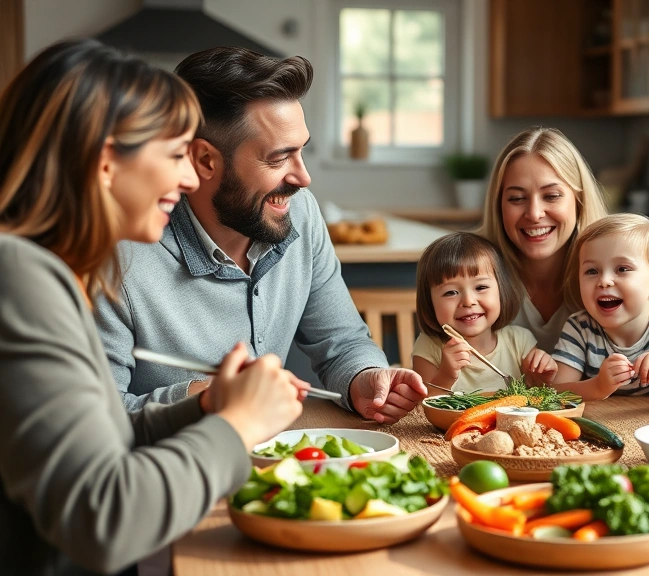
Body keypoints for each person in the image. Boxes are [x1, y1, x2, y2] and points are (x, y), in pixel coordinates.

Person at [0, 39, 306, 574]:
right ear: (105, 164)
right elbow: (104, 519)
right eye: (173, 156)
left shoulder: (51, 272)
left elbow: (100, 442)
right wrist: (236, 426)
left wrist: (205, 409)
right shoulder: (19, 277)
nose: (190, 180)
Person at [93, 46, 427, 423]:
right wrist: (199, 399)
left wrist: (364, 378)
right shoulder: (118, 256)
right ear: (205, 161)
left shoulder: (298, 212)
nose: (303, 178)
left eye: (301, 152)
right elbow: (96, 420)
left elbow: (342, 341)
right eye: (278, 158)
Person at [551, 214, 649, 408]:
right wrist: (598, 386)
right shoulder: (579, 327)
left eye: (622, 269)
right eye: (592, 271)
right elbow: (554, 393)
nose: (604, 281)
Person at [478, 127, 608, 352]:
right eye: (517, 198)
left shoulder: (614, 273)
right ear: (499, 206)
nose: (534, 213)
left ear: (579, 201)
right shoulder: (472, 270)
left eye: (551, 196)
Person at [411, 232, 557, 393]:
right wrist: (446, 375)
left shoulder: (520, 342)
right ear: (429, 301)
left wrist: (541, 380)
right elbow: (423, 408)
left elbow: (536, 398)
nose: (468, 301)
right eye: (451, 292)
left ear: (501, 291)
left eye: (480, 287)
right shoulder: (429, 346)